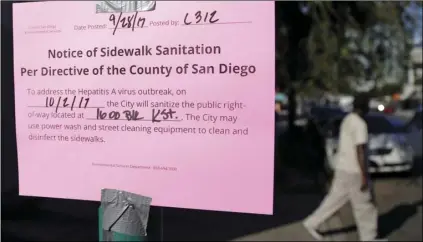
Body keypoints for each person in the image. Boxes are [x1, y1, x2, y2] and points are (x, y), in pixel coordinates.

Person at [302, 94, 383, 241]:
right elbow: (360, 150)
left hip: (342, 167)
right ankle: (369, 238)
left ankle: (311, 223)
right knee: (365, 206)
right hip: (355, 172)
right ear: (364, 107)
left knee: (334, 200)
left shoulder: (348, 120)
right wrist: (364, 176)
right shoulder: (360, 124)